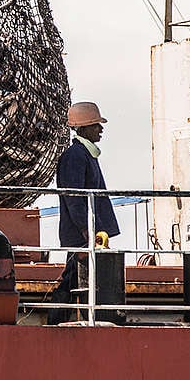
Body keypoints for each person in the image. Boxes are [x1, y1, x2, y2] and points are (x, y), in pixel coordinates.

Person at [47, 101, 120, 325]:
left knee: (77, 279)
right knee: (72, 278)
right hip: (81, 235)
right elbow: (74, 198)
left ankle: (61, 320)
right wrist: (86, 230)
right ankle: (55, 321)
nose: (101, 129)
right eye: (96, 124)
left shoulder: (85, 155)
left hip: (86, 233)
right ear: (84, 127)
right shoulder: (75, 156)